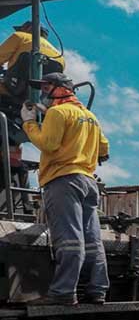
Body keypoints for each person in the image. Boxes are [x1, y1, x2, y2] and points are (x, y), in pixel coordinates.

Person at [19, 72, 109, 305]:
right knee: (92, 240)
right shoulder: (90, 117)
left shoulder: (59, 113)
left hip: (63, 180)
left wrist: (29, 122)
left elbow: (48, 144)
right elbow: (104, 150)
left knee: (69, 239)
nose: (43, 91)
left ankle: (63, 293)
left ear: (60, 88)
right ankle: (97, 291)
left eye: (46, 86)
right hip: (88, 182)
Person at [0, 22, 65, 95]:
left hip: (13, 88)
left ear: (28, 28)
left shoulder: (20, 36)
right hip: (42, 98)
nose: (19, 31)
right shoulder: (60, 56)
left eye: (21, 29)